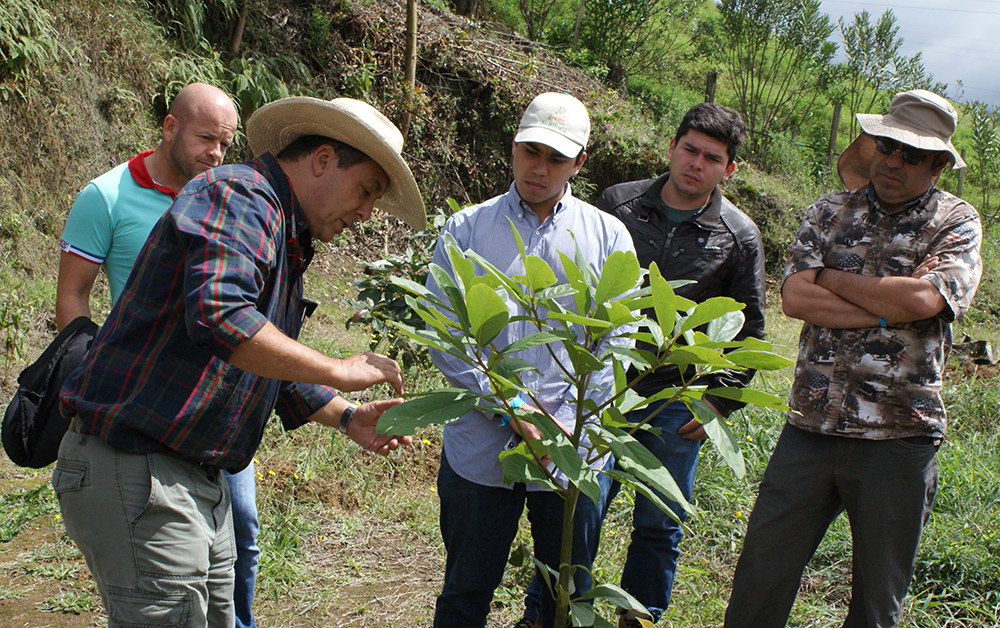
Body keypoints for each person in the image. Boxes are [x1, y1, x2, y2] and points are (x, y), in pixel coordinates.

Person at [53, 96, 425, 628]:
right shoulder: (239, 196)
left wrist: (345, 414)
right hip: (141, 464)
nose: (366, 212)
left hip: (194, 474)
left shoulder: (282, 230)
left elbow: (261, 358)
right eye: (366, 190)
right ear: (323, 159)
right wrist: (337, 367)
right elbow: (221, 315)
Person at [724, 89, 982, 628]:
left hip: (899, 436)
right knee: (759, 579)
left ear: (937, 164)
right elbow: (794, 297)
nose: (893, 160)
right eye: (888, 145)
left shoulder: (956, 222)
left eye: (912, 154)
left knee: (875, 602)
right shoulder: (829, 210)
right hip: (810, 427)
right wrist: (889, 306)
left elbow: (926, 300)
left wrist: (831, 280)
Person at [519, 103, 765, 628]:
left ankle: (640, 619)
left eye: (712, 158)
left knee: (660, 520)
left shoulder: (738, 235)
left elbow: (749, 330)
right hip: (606, 383)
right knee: (579, 507)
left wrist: (721, 401)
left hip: (677, 397)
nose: (696, 164)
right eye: (690, 150)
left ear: (729, 169)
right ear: (672, 147)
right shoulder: (619, 203)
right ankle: (552, 614)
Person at [55, 82, 269, 628]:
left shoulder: (230, 199)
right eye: (205, 139)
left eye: (225, 145)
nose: (215, 155)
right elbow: (73, 293)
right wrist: (93, 370)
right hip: (142, 399)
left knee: (239, 527)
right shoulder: (106, 197)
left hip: (213, 397)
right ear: (169, 127)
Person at [427, 92, 635, 628]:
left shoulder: (608, 237)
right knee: (465, 589)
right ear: (513, 147)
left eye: (556, 159)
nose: (539, 169)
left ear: (579, 163)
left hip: (572, 448)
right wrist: (517, 411)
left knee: (561, 597)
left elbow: (618, 339)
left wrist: (563, 424)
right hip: (480, 448)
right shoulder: (467, 230)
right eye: (530, 151)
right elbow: (447, 334)